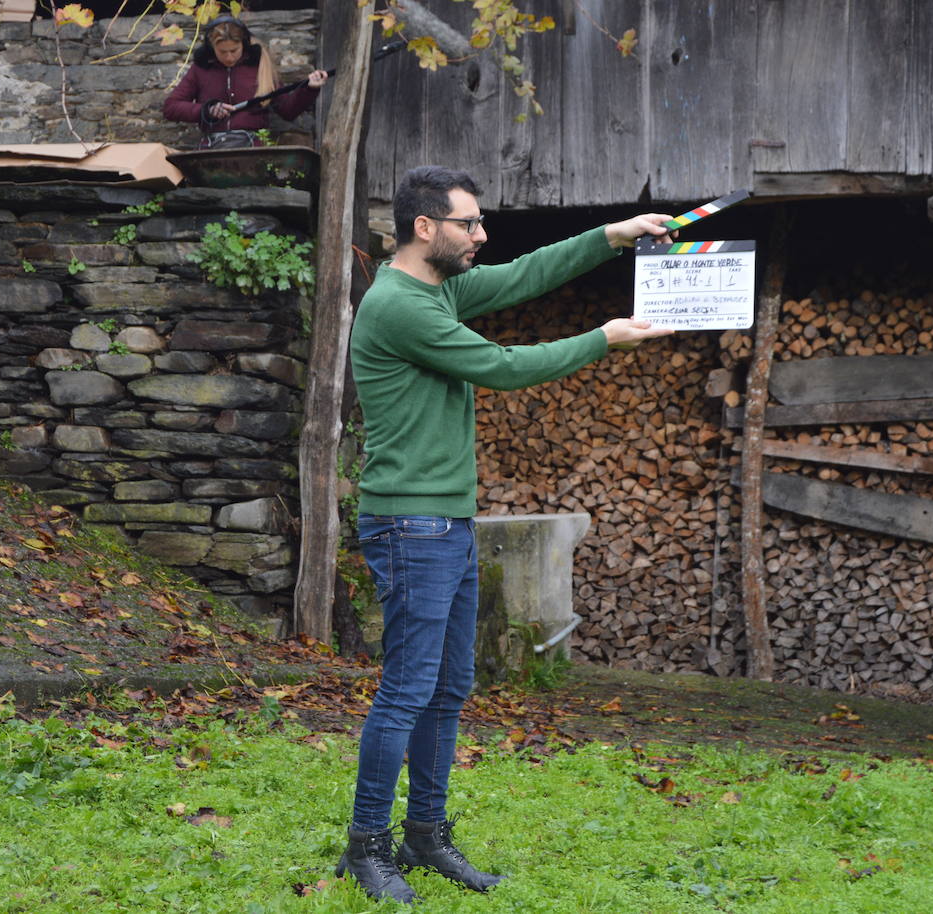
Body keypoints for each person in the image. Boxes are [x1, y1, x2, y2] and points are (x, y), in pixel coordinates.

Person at [338, 165, 677, 903]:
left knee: (448, 687)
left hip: (447, 521)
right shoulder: (402, 307)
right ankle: (368, 847)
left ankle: (426, 836)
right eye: (470, 223)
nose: (483, 236)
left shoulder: (439, 288)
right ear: (425, 227)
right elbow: (504, 367)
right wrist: (603, 338)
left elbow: (524, 275)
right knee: (407, 689)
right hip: (411, 524)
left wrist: (613, 235)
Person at [162, 15, 328, 148]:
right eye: (222, 52)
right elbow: (170, 107)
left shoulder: (260, 67)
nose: (229, 57)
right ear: (212, 48)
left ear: (244, 44)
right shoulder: (201, 69)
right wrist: (207, 110)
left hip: (253, 149)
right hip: (212, 148)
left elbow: (287, 110)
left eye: (234, 50)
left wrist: (310, 89)